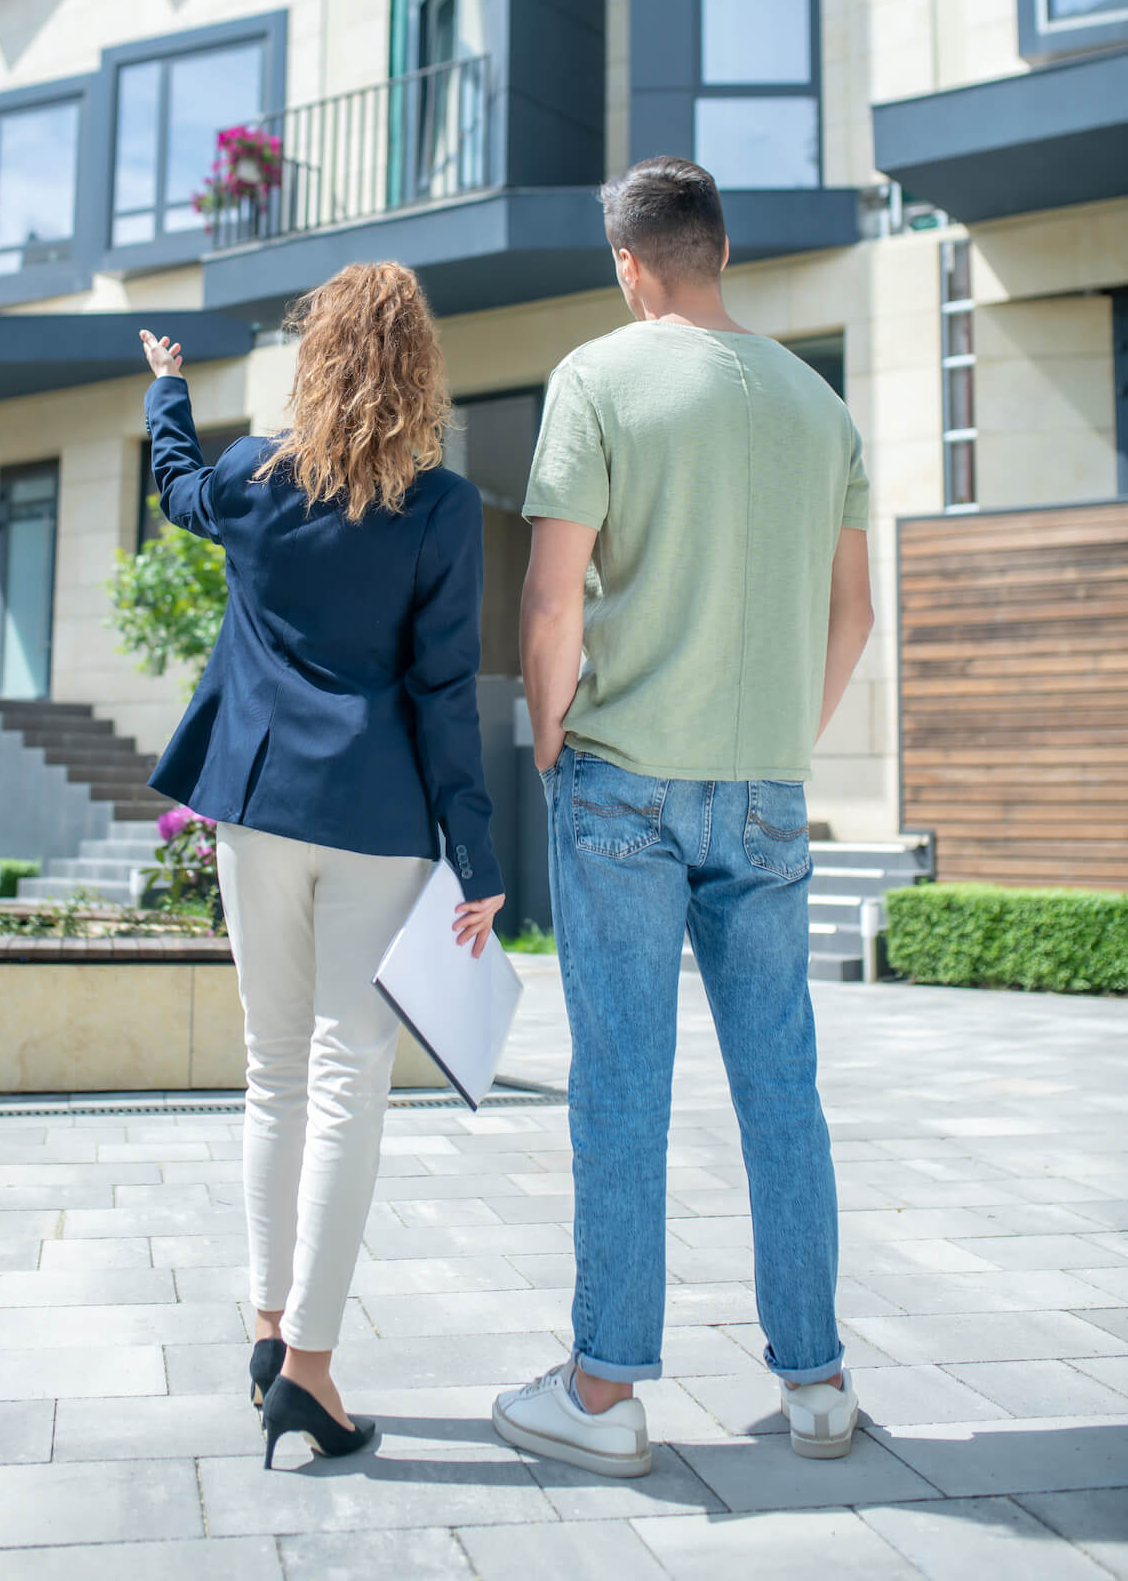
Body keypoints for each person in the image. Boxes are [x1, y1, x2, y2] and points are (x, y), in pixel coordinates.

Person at [492, 156, 874, 1479]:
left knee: (621, 1092)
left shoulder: (598, 376)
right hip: (763, 790)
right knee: (782, 1089)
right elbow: (855, 611)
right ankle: (816, 1383)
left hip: (619, 785)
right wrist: (778, 739)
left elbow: (549, 604)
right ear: (717, 253)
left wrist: (549, 744)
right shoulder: (819, 406)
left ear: (631, 264)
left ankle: (602, 1395)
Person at [139, 260, 504, 1470]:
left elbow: (180, 487)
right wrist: (480, 848)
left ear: (316, 355)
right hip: (379, 817)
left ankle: (265, 1326)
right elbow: (446, 691)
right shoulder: (443, 509)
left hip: (254, 806)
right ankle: (308, 1365)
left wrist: (169, 391)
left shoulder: (252, 477)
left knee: (270, 1070)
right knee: (350, 1082)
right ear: (420, 372)